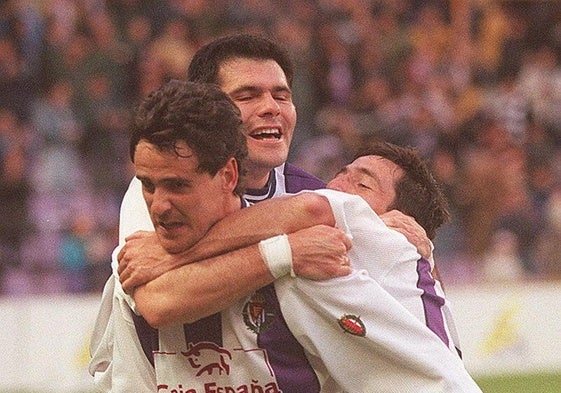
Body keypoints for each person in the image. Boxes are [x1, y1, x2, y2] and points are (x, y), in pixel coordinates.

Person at [90, 79, 481, 392]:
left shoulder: (323, 249)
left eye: (281, 93)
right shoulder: (138, 249)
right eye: (245, 95)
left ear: (228, 175)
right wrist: (284, 251)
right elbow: (154, 309)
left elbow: (440, 376)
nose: (159, 204)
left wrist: (412, 254)